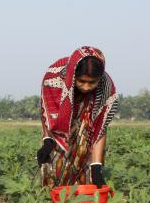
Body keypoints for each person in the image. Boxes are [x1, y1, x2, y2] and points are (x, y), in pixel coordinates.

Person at [37, 46, 118, 188]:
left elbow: (100, 127)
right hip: (59, 130)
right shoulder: (54, 77)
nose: (86, 87)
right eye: (81, 81)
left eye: (92, 82)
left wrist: (96, 167)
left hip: (86, 127)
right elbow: (48, 113)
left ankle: (82, 201)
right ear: (73, 75)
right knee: (55, 164)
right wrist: (47, 141)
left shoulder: (106, 86)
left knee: (84, 164)